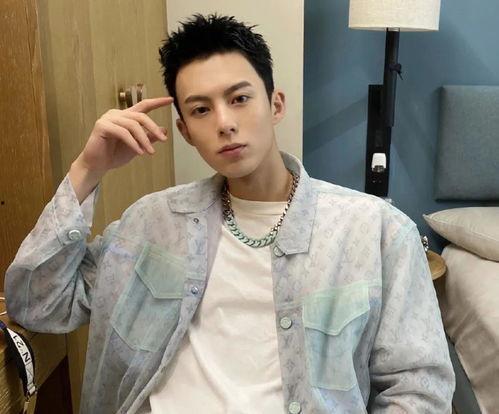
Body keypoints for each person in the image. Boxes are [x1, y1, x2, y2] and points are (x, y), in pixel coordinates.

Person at [5, 13, 455, 414]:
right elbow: (38, 303)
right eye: (201, 110)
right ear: (184, 130)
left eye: (239, 99)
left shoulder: (375, 231)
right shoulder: (150, 224)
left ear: (275, 105)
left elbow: (419, 387)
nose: (224, 123)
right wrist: (87, 170)